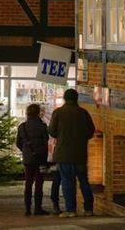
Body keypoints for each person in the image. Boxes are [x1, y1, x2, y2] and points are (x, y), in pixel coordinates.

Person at [48, 88, 95, 218]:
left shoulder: (58, 113)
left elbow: (52, 131)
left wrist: (62, 135)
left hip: (63, 154)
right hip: (80, 153)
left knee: (67, 182)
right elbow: (91, 131)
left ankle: (71, 210)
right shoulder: (83, 113)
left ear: (65, 98)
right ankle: (89, 209)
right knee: (84, 181)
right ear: (76, 98)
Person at [16, 103, 49, 216]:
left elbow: (18, 143)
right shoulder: (43, 126)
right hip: (41, 159)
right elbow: (46, 142)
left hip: (28, 159)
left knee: (28, 182)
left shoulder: (22, 127)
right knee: (39, 183)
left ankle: (27, 208)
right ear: (38, 113)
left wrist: (26, 151)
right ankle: (38, 208)